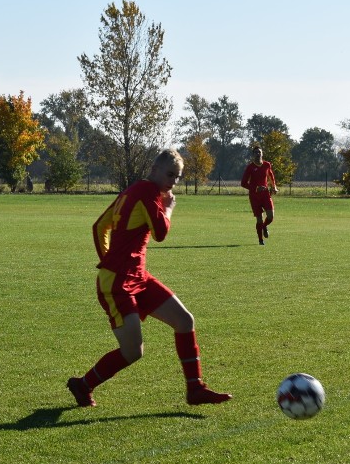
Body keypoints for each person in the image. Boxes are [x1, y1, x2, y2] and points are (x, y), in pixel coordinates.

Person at [67, 149, 232, 408]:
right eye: (169, 175)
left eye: (177, 178)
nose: (173, 182)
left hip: (138, 277)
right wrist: (168, 209)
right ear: (154, 169)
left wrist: (109, 259)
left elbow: (100, 226)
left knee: (184, 320)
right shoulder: (147, 193)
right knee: (133, 352)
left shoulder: (132, 190)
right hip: (118, 284)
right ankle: (82, 385)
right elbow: (160, 233)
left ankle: (195, 389)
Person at [240, 145, 278, 245]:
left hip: (265, 194)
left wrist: (274, 187)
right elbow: (243, 183)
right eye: (256, 152)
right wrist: (256, 188)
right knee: (259, 219)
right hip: (254, 196)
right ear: (253, 155)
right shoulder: (250, 168)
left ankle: (264, 226)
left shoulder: (267, 165)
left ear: (262, 153)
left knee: (270, 216)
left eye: (259, 152)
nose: (258, 154)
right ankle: (261, 240)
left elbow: (270, 175)